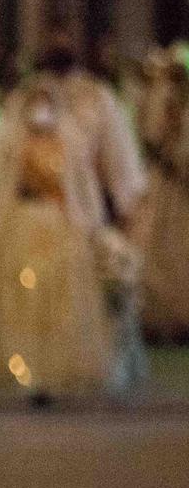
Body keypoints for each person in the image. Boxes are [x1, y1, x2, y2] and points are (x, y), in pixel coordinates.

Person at [0, 78, 120, 402]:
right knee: (21, 295)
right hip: (22, 224)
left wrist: (91, 227)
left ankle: (55, 370)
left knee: (59, 297)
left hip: (58, 225)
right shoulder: (14, 143)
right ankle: (24, 368)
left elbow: (81, 187)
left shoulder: (68, 141)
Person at [38, 29, 150, 390]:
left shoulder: (97, 96)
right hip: (44, 207)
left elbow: (117, 153)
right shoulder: (33, 96)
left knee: (97, 283)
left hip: (88, 205)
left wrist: (123, 202)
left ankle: (103, 361)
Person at [135, 48, 189, 343]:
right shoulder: (159, 108)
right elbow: (152, 142)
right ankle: (159, 319)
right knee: (159, 249)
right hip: (165, 189)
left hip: (181, 192)